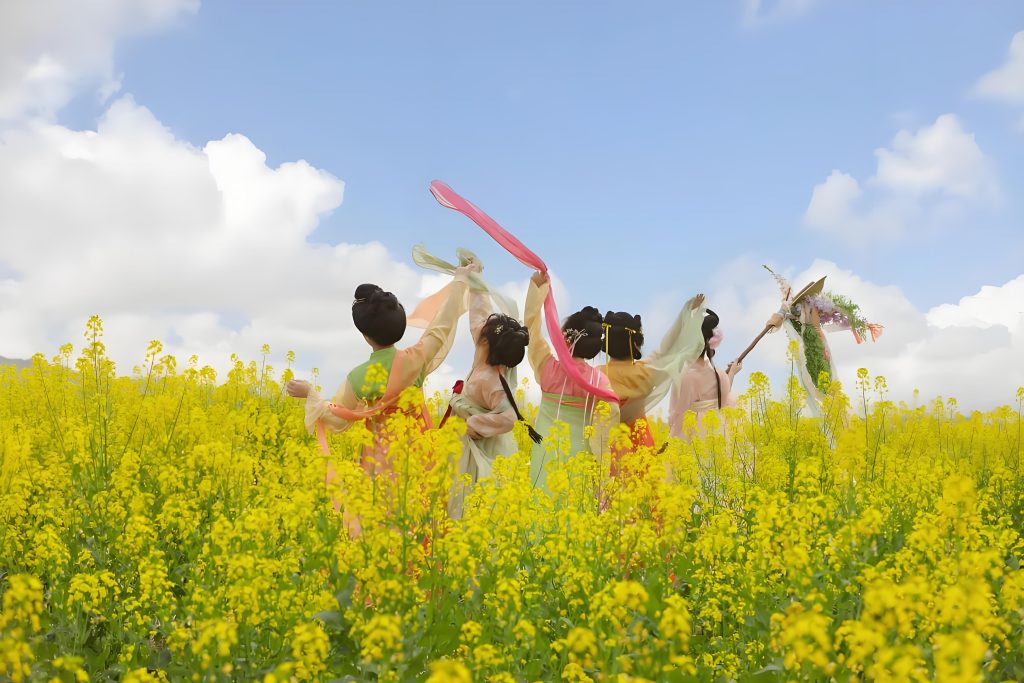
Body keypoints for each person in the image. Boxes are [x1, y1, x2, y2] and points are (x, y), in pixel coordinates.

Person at [286, 267, 471, 480]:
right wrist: (461, 280)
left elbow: (338, 418)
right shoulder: (416, 359)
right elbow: (441, 326)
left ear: (365, 336)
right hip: (420, 452)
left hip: (380, 461)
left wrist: (310, 393)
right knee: (420, 505)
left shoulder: (358, 377)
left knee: (382, 508)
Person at [446, 288, 540, 519]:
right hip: (470, 440)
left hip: (483, 448)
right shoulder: (490, 355)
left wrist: (473, 425)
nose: (476, 329)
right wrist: (475, 281)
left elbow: (508, 418)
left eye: (480, 330)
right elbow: (479, 314)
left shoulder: (490, 380)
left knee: (475, 500)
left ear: (485, 340)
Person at [524, 271, 619, 494]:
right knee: (577, 512)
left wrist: (537, 290)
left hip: (546, 453)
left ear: (565, 337)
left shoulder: (547, 367)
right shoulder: (599, 380)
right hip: (582, 457)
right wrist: (601, 452)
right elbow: (612, 413)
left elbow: (532, 329)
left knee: (542, 508)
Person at [602, 294, 706, 472]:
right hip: (641, 440)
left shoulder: (596, 376)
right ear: (635, 343)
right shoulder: (644, 371)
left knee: (611, 495)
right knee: (644, 492)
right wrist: (687, 313)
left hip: (607, 446)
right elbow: (665, 349)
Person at [667, 308, 743, 440]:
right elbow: (723, 397)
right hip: (719, 431)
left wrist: (671, 434)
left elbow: (676, 414)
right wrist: (732, 373)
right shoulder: (719, 374)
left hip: (694, 433)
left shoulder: (685, 377)